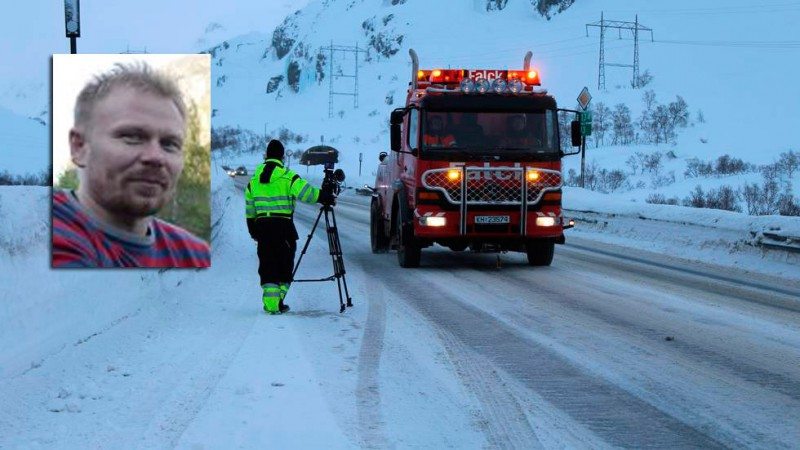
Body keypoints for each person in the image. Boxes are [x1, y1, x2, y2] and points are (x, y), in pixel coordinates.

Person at [52, 62, 211, 268]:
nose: (156, 157)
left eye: (169, 144)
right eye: (132, 137)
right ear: (79, 147)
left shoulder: (195, 255)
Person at [245, 139, 335, 314]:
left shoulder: (253, 181)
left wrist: (253, 231)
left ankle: (271, 304)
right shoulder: (288, 176)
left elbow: (250, 210)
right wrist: (325, 196)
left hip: (263, 228)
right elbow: (307, 193)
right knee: (285, 265)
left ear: (266, 156)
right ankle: (277, 301)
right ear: (282, 157)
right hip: (283, 228)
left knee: (267, 265)